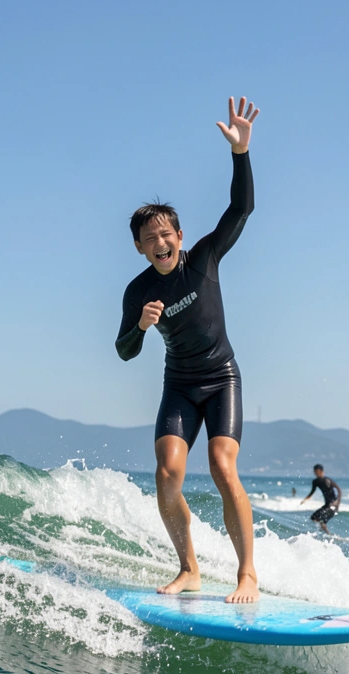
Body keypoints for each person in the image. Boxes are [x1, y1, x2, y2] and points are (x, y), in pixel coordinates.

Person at [114, 96, 260, 603]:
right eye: (149, 238)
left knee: (223, 465)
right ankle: (190, 568)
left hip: (221, 377)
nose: (160, 242)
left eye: (165, 233)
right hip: (179, 385)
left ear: (179, 235)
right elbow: (124, 352)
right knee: (167, 473)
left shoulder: (202, 260)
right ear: (138, 247)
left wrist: (240, 153)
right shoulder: (138, 292)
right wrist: (139, 325)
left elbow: (241, 208)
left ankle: (247, 575)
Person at [300, 464, 342, 533]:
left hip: (333, 506)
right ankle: (322, 531)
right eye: (315, 472)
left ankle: (328, 534)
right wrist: (305, 500)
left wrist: (337, 502)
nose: (317, 473)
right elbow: (312, 492)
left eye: (318, 472)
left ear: (322, 472)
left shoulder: (327, 480)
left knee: (322, 521)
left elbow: (339, 490)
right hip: (327, 505)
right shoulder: (315, 482)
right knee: (313, 517)